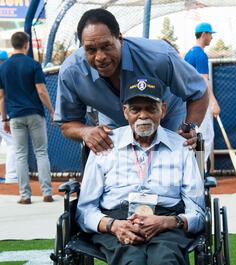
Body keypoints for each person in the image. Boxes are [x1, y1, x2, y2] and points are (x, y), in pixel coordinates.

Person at [76, 77, 206, 265]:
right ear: (125, 111)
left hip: (166, 219)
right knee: (132, 259)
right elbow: (85, 209)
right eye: (136, 109)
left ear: (163, 110)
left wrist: (169, 222)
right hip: (115, 221)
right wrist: (113, 226)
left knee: (165, 258)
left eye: (150, 108)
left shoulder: (181, 147)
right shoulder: (105, 145)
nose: (143, 115)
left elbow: (197, 211)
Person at [55, 8, 209, 155]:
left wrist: (189, 127)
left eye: (106, 46)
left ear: (119, 39)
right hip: (116, 124)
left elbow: (199, 92)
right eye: (91, 50)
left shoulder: (158, 56)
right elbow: (67, 123)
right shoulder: (71, 72)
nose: (100, 57)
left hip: (167, 120)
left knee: (169, 170)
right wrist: (85, 132)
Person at [0, 32, 54, 204]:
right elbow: (41, 91)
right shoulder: (33, 64)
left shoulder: (3, 67)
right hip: (35, 114)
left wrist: (4, 119)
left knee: (21, 154)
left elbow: (2, 96)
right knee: (41, 152)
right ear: (26, 44)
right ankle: (47, 192)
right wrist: (52, 111)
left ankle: (25, 195)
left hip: (15, 116)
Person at [184, 22, 221, 166]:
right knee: (205, 135)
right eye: (211, 34)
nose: (212, 37)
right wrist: (213, 102)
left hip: (189, 102)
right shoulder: (200, 55)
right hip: (200, 102)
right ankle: (200, 171)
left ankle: (197, 169)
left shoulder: (189, 54)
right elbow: (204, 82)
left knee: (196, 135)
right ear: (204, 34)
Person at [0, 50, 17, 184]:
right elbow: (2, 97)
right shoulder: (4, 72)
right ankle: (11, 176)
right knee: (12, 143)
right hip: (2, 114)